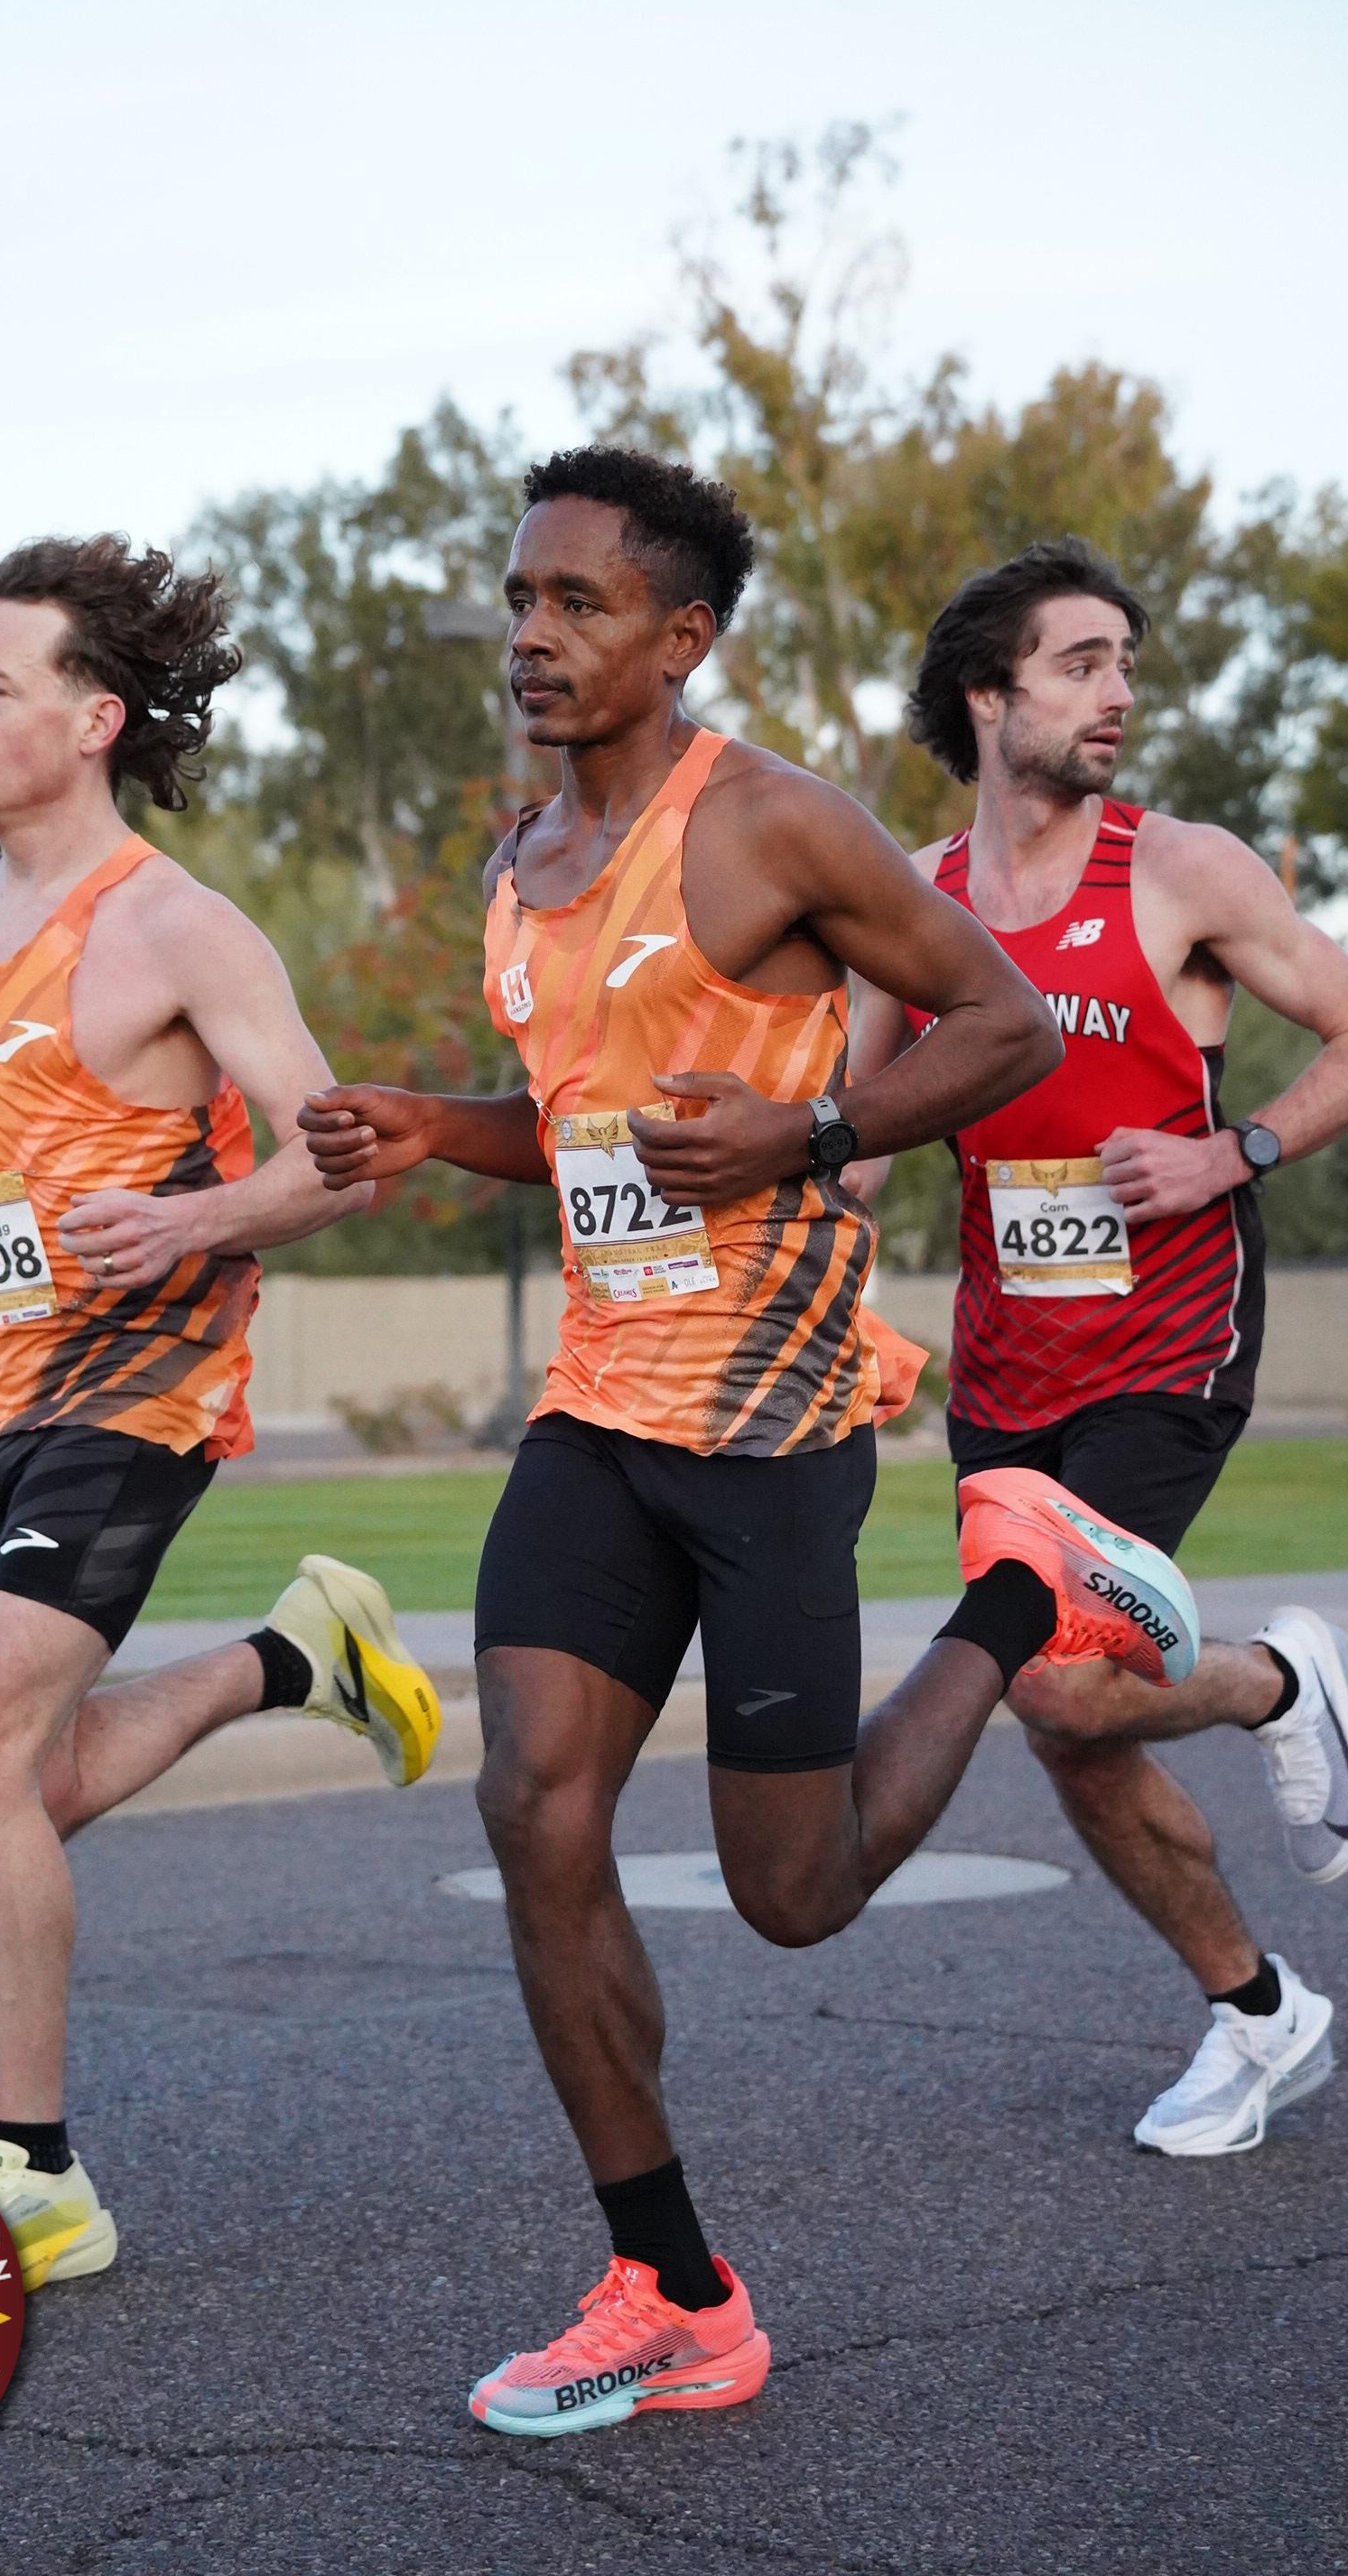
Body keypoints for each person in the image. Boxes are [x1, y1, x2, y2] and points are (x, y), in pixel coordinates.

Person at [300, 449, 1201, 2440]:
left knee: (794, 1895)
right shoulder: (519, 859)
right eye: (519, 598)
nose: (533, 635)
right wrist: (434, 1125)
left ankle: (1024, 1588)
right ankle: (674, 2291)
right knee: (534, 1811)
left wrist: (812, 1132)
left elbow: (1003, 1025)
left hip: (774, 1419)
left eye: (580, 602)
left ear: (682, 635)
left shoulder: (773, 823)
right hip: (596, 1411)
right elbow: (583, 1128)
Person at [0, 533, 441, 2288]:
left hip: (139, 1383)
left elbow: (342, 1158)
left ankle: (38, 2172)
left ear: (93, 717)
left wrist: (198, 1222)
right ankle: (295, 1656)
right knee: (20, 1781)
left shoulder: (175, 926)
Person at [845, 535, 1348, 2159]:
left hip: (1173, 1335)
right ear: (987, 698)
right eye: (1080, 664)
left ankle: (1279, 1683)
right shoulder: (911, 903)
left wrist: (1232, 1152)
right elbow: (855, 1141)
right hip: (1006, 1362)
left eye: (1125, 663)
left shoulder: (1182, 870)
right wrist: (813, 1260)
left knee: (1051, 1672)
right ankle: (1259, 2011)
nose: (1117, 692)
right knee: (1069, 1721)